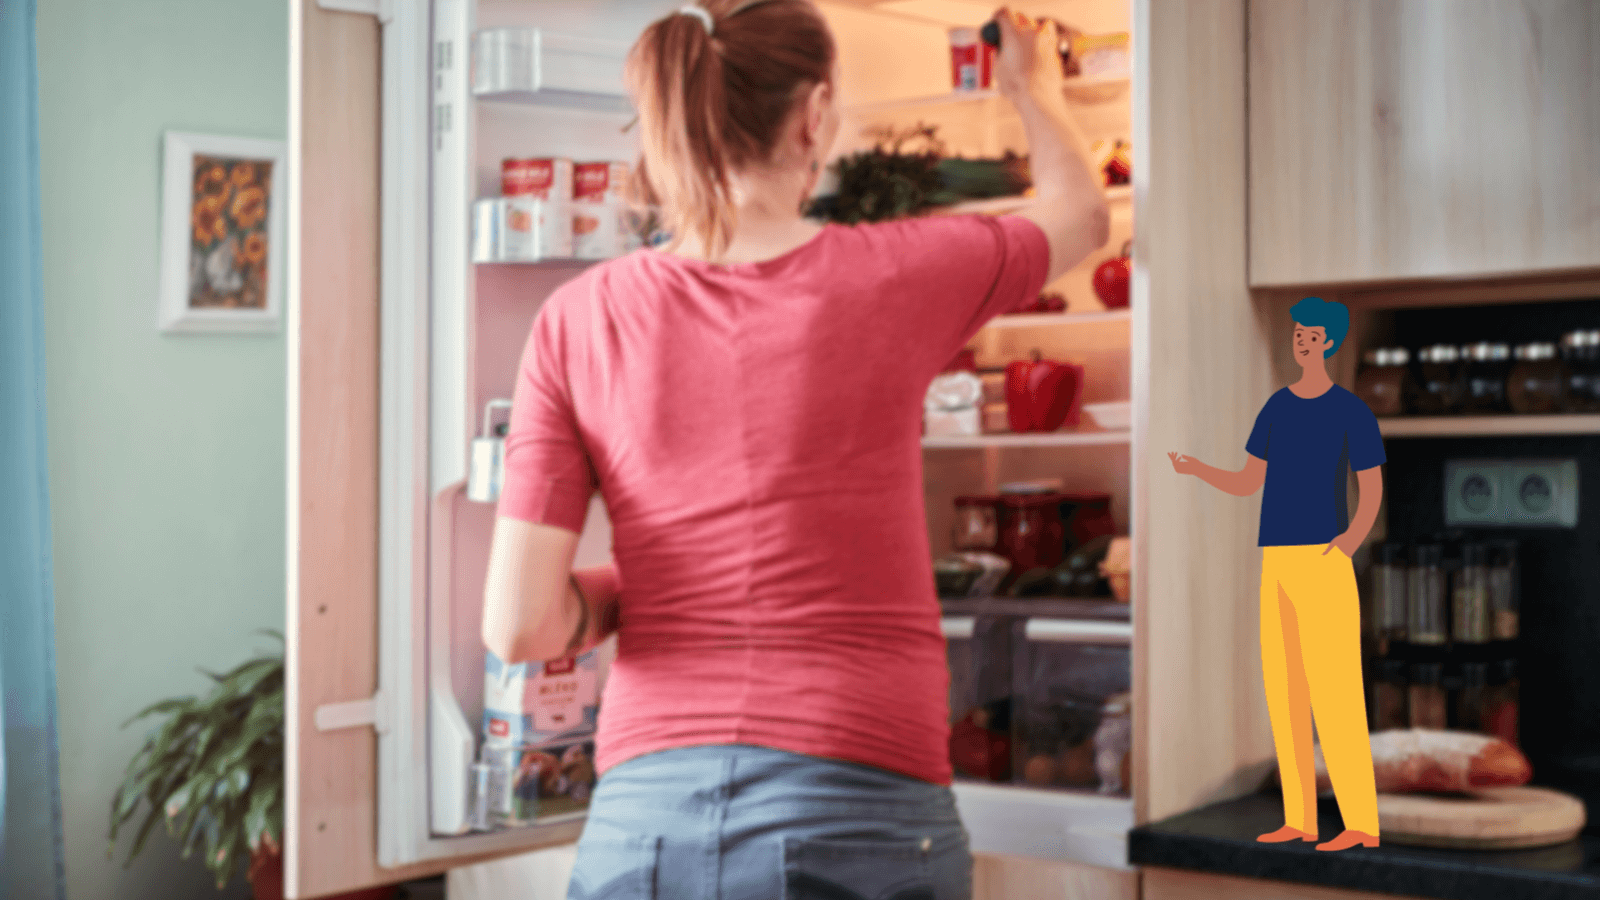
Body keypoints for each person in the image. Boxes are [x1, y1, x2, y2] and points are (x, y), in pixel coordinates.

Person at [479, 0, 1109, 895]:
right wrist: (1031, 87)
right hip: (856, 807)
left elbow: (519, 624)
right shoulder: (893, 273)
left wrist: (665, 581)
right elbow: (1082, 217)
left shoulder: (577, 319)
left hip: (642, 828)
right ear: (814, 115)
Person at [1167, 296, 1384, 853]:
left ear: (1330, 345)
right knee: (1285, 693)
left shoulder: (1349, 412)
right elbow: (1247, 482)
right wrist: (1196, 469)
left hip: (1323, 559)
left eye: (1311, 336)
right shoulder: (1276, 409)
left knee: (1336, 693)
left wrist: (1347, 545)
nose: (1301, 342)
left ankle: (1359, 823)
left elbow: (1372, 489)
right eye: (1298, 334)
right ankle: (1301, 818)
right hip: (1278, 559)